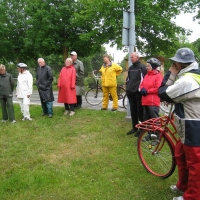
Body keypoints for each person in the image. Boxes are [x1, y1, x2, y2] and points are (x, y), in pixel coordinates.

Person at [158, 48, 200, 200]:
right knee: (180, 155)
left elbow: (163, 92)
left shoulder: (187, 80)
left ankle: (193, 196)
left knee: (195, 163)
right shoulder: (193, 74)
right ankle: (183, 185)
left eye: (174, 62)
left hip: (193, 126)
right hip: (186, 124)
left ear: (179, 63)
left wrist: (171, 73)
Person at [126, 52, 147, 136]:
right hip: (130, 92)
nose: (131, 59)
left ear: (137, 57)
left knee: (140, 112)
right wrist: (128, 89)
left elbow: (145, 80)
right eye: (130, 57)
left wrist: (141, 90)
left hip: (138, 93)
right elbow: (129, 79)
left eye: (132, 57)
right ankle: (134, 127)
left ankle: (141, 129)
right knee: (133, 111)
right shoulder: (130, 68)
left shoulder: (142, 67)